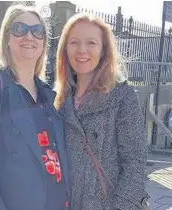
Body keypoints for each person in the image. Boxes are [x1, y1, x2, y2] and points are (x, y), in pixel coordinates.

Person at [0, 4, 70, 210]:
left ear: (44, 43)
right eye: (20, 29)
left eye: (37, 31)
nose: (29, 36)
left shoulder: (46, 93)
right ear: (7, 39)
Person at [54, 13, 149, 210]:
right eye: (74, 42)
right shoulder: (59, 99)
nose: (82, 50)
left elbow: (134, 163)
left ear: (104, 50)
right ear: (65, 49)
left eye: (91, 43)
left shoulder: (122, 97)